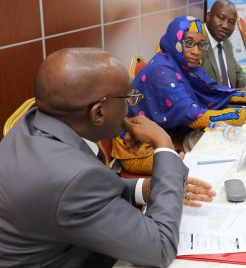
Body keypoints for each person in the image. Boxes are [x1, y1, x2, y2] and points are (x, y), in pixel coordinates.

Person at [0, 48, 215, 267]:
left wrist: (145, 189)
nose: (131, 106)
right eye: (128, 98)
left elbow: (80, 192)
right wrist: (163, 143)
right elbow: (160, 247)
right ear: (98, 113)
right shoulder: (74, 178)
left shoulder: (33, 123)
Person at [112, 16, 246, 175]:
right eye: (189, 43)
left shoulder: (182, 64)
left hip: (167, 136)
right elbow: (198, 117)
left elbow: (212, 92)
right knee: (212, 162)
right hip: (137, 150)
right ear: (175, 40)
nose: (196, 51)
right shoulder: (162, 71)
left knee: (228, 146)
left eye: (201, 45)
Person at [202, 0, 246, 89]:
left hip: (232, 98)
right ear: (208, 16)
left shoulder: (226, 43)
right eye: (221, 18)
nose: (226, 26)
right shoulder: (197, 44)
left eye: (231, 22)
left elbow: (236, 71)